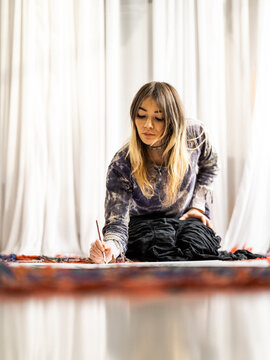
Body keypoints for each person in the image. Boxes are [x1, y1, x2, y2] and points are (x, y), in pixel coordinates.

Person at [89, 81, 218, 264]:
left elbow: (210, 165)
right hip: (144, 227)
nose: (147, 125)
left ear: (173, 119)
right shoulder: (122, 164)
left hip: (182, 220)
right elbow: (117, 222)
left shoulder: (194, 135)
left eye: (158, 118)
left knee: (199, 243)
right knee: (155, 245)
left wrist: (197, 205)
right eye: (141, 116)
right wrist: (111, 248)